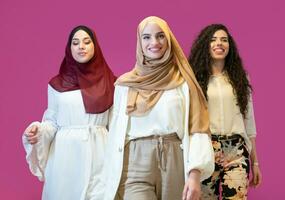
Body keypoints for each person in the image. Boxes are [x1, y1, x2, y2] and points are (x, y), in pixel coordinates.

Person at [103, 16, 214, 200]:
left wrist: (194, 174)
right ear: (139, 41)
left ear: (169, 39)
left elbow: (198, 130)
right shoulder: (125, 85)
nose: (154, 42)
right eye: (146, 37)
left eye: (160, 36)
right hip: (135, 161)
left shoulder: (183, 83)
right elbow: (114, 131)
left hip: (174, 159)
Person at [22, 25, 116, 200]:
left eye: (87, 42)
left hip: (100, 152)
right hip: (66, 157)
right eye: (75, 42)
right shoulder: (57, 85)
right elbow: (52, 122)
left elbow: (116, 124)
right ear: (69, 48)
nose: (81, 46)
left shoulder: (111, 83)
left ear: (95, 47)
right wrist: (38, 131)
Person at [189, 24, 262, 199]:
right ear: (205, 45)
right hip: (206, 149)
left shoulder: (240, 79)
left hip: (236, 149)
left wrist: (255, 162)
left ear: (230, 46)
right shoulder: (195, 80)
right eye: (213, 40)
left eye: (224, 40)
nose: (219, 43)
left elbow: (249, 121)